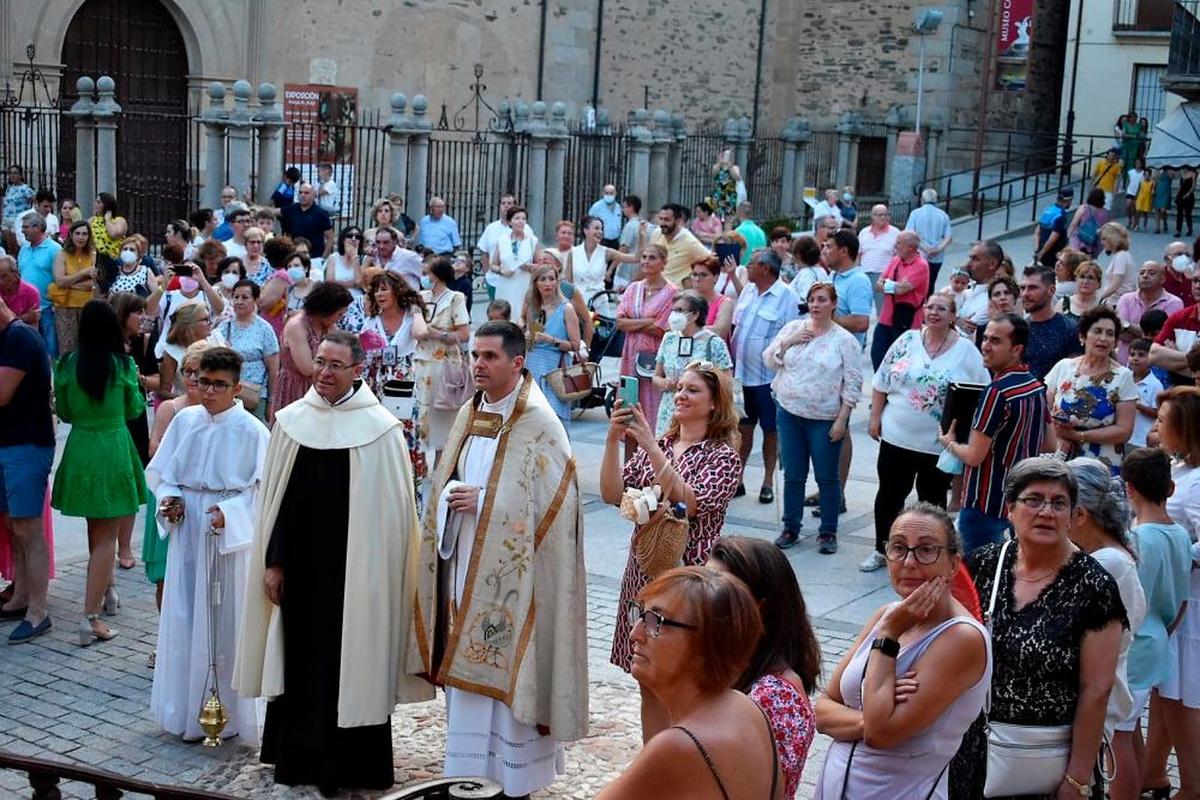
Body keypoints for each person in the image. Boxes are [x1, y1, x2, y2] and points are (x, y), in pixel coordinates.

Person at [233, 330, 427, 796]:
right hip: (300, 573)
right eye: (319, 362)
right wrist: (274, 563)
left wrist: (379, 575)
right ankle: (297, 759)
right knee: (301, 666)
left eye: (335, 365)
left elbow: (395, 517)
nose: (323, 372)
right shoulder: (293, 420)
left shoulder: (380, 429)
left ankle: (353, 767)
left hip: (358, 576)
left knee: (351, 667)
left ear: (357, 371)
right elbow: (276, 501)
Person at [411, 320, 588, 797]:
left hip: (516, 576)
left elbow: (560, 503)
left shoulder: (539, 421)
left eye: (489, 357)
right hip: (464, 558)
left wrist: (488, 500)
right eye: (474, 355)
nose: (478, 365)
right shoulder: (472, 411)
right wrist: (450, 492)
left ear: (517, 362)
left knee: (509, 662)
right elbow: (448, 476)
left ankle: (516, 778)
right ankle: (468, 771)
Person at [967, 458, 1128, 800]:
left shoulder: (1094, 586)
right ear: (1010, 508)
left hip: (1049, 762)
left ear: (1074, 516)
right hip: (974, 750)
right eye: (1034, 500)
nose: (1046, 511)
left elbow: (1096, 690)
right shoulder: (983, 564)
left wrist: (1076, 780)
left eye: (1059, 503)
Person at [600, 360, 741, 733]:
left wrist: (647, 444)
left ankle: (683, 764)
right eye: (679, 388)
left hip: (689, 580)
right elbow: (613, 494)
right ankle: (655, 760)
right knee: (647, 679)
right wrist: (613, 442)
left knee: (684, 682)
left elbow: (689, 502)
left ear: (714, 403)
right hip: (644, 574)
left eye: (692, 390)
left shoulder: (722, 456)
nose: (680, 395)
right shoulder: (662, 444)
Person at [815, 503, 990, 799]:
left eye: (926, 550)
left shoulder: (962, 638)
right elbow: (821, 711)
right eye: (898, 548)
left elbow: (881, 734)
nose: (909, 562)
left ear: (953, 563)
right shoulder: (888, 613)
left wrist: (888, 638)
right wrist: (868, 716)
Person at [145, 346, 266, 743]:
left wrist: (230, 514)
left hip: (224, 531)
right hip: (187, 531)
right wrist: (171, 499)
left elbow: (261, 491)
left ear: (236, 388)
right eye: (203, 382)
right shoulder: (185, 421)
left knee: (224, 620)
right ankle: (182, 709)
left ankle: (227, 713)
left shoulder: (253, 431)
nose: (209, 391)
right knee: (183, 614)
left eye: (219, 385)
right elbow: (162, 474)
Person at [595, 567, 779, 800]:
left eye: (655, 622)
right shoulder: (747, 708)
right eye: (640, 615)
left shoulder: (677, 746)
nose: (634, 633)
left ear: (707, 643)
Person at [865, 294, 988, 571]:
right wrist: (875, 417)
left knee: (932, 501)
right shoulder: (906, 341)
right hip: (897, 436)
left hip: (937, 443)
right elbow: (882, 379)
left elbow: (981, 391)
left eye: (941, 309)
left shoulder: (967, 350)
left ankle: (928, 553)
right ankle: (882, 549)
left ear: (953, 315)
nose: (933, 313)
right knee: (889, 494)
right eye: (930, 307)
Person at [51, 300, 146, 646]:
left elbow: (65, 410)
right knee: (107, 536)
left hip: (82, 446)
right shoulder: (121, 365)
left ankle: (109, 592)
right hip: (113, 445)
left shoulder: (67, 364)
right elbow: (135, 408)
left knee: (96, 528)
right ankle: (90, 618)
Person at [707, 536, 821, 799]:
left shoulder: (773, 695)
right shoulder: (731, 668)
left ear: (760, 608)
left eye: (719, 592)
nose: (703, 600)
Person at [1064, 457, 1146, 800]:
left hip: (1094, 698)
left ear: (1080, 514)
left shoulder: (1107, 564)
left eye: (1058, 505)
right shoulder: (1107, 554)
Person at [938, 313, 1050, 553]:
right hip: (1020, 501)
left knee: (975, 580)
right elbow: (1049, 443)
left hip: (985, 504)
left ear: (1016, 349)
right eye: (985, 338)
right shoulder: (1034, 385)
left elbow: (974, 456)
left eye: (996, 341)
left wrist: (948, 442)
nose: (985, 346)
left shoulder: (997, 392)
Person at [1115, 448, 1190, 799]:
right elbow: (1181, 603)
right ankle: (1150, 781)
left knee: (1117, 737)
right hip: (1159, 637)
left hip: (1136, 644)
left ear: (1129, 489)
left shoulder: (1138, 540)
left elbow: (1131, 602)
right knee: (1129, 731)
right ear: (1171, 489)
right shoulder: (1180, 536)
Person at [766, 282, 861, 554]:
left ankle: (828, 531)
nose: (816, 305)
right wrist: (787, 343)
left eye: (821, 300)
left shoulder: (844, 340)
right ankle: (790, 527)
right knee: (793, 474)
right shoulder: (793, 328)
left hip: (824, 417)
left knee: (826, 477)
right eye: (811, 300)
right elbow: (770, 361)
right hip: (789, 412)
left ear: (833, 303)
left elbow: (853, 382)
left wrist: (843, 419)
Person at [1143, 386, 1200, 799]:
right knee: (1166, 693)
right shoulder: (1181, 469)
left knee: (1183, 700)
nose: (1156, 425)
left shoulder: (1197, 481)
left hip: (1190, 603)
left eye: (1163, 420)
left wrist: (1176, 554)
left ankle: (1194, 785)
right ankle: (1153, 772)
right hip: (1175, 597)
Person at [0, 293, 55, 644]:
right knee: (12, 524)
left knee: (28, 527)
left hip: (26, 445)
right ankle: (20, 596)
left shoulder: (20, 337)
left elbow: (1, 394)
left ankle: (38, 610)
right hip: (9, 445)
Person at [144, 340, 211, 624]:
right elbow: (154, 448)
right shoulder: (170, 408)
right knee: (165, 576)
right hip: (169, 495)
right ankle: (164, 637)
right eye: (188, 371)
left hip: (201, 499)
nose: (193, 378)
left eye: (199, 372)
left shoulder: (217, 414)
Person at [730, 248, 798, 504]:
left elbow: (792, 337)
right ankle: (737, 478)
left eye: (751, 264)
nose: (746, 268)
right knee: (740, 428)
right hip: (740, 376)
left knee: (771, 430)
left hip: (767, 379)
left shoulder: (787, 297)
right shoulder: (748, 290)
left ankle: (768, 481)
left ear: (766, 269)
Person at [359, 269, 428, 497]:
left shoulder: (410, 317)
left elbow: (421, 333)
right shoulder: (371, 321)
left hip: (401, 385)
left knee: (403, 435)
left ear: (396, 291)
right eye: (376, 290)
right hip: (375, 383)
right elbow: (364, 354)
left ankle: (405, 487)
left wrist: (417, 310)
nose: (379, 294)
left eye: (384, 289)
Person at [1045, 306, 1137, 473]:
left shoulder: (1123, 377)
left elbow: (1124, 431)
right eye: (1097, 331)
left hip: (1101, 466)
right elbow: (1045, 412)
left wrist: (1079, 436)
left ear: (1115, 342)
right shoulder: (1063, 367)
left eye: (1110, 334)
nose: (1103, 338)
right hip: (1059, 459)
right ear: (1083, 336)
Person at [411, 256, 471, 462]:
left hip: (444, 362)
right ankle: (420, 459)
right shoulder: (421, 297)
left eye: (428, 273)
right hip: (422, 360)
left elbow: (464, 333)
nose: (425, 277)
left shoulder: (455, 298)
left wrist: (438, 334)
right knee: (421, 410)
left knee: (442, 413)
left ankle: (442, 462)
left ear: (436, 276)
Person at [617, 245, 678, 437]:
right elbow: (619, 322)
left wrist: (634, 322)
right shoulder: (633, 288)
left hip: (655, 356)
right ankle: (629, 463)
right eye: (643, 256)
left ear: (663, 262)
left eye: (652, 257)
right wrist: (649, 321)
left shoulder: (672, 292)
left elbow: (662, 327)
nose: (645, 261)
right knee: (629, 407)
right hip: (630, 355)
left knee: (653, 405)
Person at [652, 290, 732, 436]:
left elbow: (727, 381)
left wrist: (699, 385)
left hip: (699, 413)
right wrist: (666, 383)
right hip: (669, 411)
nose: (674, 315)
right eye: (673, 310)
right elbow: (656, 376)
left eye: (680, 310)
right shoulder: (669, 339)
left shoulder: (714, 343)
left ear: (695, 315)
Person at [273, 282, 352, 416]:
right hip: (294, 389)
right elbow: (307, 368)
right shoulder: (297, 326)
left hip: (320, 390)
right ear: (327, 311)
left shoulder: (328, 326)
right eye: (339, 314)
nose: (340, 318)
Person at [522, 261, 581, 426]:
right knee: (533, 416)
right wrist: (527, 338)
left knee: (555, 418)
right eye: (542, 279)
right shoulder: (533, 309)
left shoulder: (566, 309)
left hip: (556, 366)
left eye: (551, 279)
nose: (547, 283)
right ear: (536, 284)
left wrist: (551, 340)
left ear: (557, 282)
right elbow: (530, 338)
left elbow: (575, 345)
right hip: (534, 364)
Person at [219, 280, 280, 423]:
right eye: (236, 297)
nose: (239, 301)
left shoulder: (264, 329)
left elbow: (273, 369)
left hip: (255, 395)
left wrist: (272, 400)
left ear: (256, 300)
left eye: (245, 297)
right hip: (228, 393)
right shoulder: (224, 326)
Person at [870, 231, 929, 370]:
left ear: (910, 247)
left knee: (900, 362)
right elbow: (879, 284)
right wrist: (893, 285)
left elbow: (902, 289)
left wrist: (888, 285)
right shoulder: (896, 260)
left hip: (907, 322)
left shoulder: (921, 266)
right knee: (877, 355)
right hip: (886, 319)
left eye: (899, 243)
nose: (895, 246)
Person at [1022, 264, 1085, 380]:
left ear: (1051, 290)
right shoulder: (1018, 329)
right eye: (1023, 288)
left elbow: (1076, 375)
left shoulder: (1069, 329)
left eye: (1032, 288)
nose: (1025, 293)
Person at [1118, 260, 1184, 364]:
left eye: (1151, 273)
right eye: (1142, 272)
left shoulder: (1174, 303)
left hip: (1159, 367)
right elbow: (1120, 334)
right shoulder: (1125, 299)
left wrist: (1127, 326)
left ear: (1162, 279)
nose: (1145, 276)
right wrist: (1151, 336)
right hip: (1125, 365)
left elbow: (1164, 337)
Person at [16, 211, 63, 355]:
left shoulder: (55, 249)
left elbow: (59, 278)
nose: (22, 231)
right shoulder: (24, 248)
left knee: (50, 349)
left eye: (26, 227)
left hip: (47, 309)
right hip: (25, 309)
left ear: (38, 228)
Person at [49, 220, 98, 354]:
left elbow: (91, 284)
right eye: (77, 233)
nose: (81, 237)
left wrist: (69, 283)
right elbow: (59, 282)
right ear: (71, 234)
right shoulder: (61, 255)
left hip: (86, 306)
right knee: (67, 348)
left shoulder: (92, 254)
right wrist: (83, 273)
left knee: (87, 346)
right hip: (65, 307)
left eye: (84, 234)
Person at [570, 214, 640, 301]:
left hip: (599, 301)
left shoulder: (606, 252)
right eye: (596, 228)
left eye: (601, 229)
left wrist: (642, 236)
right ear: (586, 230)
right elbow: (568, 282)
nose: (600, 232)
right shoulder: (573, 252)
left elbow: (636, 258)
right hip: (578, 301)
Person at [1150, 272, 1200, 386]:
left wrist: (1174, 359)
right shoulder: (1178, 318)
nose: (1197, 286)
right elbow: (1154, 355)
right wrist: (1194, 361)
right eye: (1195, 281)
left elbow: (1163, 360)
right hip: (1181, 396)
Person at [492, 205, 540, 320]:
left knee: (521, 316)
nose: (521, 222)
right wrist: (501, 271)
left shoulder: (532, 241)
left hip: (524, 284)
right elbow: (493, 264)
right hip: (506, 284)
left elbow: (541, 265)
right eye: (517, 218)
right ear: (510, 221)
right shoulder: (502, 241)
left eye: (523, 219)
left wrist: (530, 267)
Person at [651, 203, 714, 287]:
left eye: (667, 220)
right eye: (661, 219)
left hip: (677, 295)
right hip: (655, 289)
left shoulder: (689, 241)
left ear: (678, 221)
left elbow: (711, 260)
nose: (662, 223)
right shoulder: (656, 233)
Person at [905, 188, 953, 288]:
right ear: (936, 200)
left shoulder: (915, 214)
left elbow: (909, 234)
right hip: (937, 257)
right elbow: (948, 237)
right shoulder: (943, 215)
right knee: (931, 283)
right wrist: (938, 249)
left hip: (919, 254)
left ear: (922, 199)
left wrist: (925, 248)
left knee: (917, 283)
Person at [859, 204, 901, 307]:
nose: (883, 217)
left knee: (883, 309)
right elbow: (859, 254)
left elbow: (899, 256)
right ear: (872, 216)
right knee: (861, 306)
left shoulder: (895, 233)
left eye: (886, 215)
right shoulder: (864, 232)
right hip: (865, 275)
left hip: (884, 276)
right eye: (880, 215)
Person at [476, 193, 516, 301]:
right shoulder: (491, 228)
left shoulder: (521, 228)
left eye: (509, 203)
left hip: (513, 279)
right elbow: (484, 252)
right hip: (494, 279)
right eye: (503, 203)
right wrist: (486, 274)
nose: (506, 206)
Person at [280, 183, 333, 258]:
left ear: (313, 195)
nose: (302, 195)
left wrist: (323, 258)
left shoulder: (321, 213)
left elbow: (330, 237)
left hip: (314, 257)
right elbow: (276, 212)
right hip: (295, 257)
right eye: (300, 192)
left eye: (306, 193)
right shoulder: (292, 209)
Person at [688, 258, 734, 342]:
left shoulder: (725, 303)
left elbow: (720, 331)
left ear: (715, 277)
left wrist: (688, 329)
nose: (697, 279)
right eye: (695, 275)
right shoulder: (686, 301)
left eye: (703, 275)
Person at [1129, 337, 1164, 448]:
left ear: (1150, 358)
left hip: (1141, 441)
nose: (1135, 358)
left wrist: (1136, 405)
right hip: (1124, 437)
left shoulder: (1155, 385)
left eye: (1141, 355)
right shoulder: (1125, 378)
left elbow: (1158, 413)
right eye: (1132, 354)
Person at [87, 192, 128, 284]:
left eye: (98, 202)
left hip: (115, 260)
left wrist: (107, 219)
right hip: (98, 261)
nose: (95, 205)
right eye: (96, 202)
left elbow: (113, 234)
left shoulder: (119, 221)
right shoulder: (91, 221)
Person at [1099, 221, 1137, 305]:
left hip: (1117, 302)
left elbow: (1115, 284)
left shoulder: (1121, 257)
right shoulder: (1121, 255)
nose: (1102, 243)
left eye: (1104, 239)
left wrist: (1099, 298)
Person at [323, 225, 365, 300]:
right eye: (350, 236)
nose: (353, 239)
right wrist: (352, 284)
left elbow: (359, 282)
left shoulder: (364, 258)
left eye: (357, 237)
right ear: (343, 239)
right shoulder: (334, 257)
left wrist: (355, 257)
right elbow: (330, 282)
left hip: (356, 299)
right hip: (336, 298)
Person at [1035, 188, 1073, 268]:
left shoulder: (1048, 210)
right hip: (1053, 253)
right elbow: (1053, 237)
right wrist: (1042, 253)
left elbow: (1037, 232)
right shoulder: (1061, 215)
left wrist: (1037, 250)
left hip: (1042, 249)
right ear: (1068, 200)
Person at [1067, 187, 1109, 258]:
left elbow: (1074, 224)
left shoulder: (1084, 208)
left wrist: (1068, 237)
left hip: (1077, 241)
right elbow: (1103, 232)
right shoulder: (1104, 213)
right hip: (1091, 244)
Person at [0, 254, 40, 327]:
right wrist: (24, 318)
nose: (0, 281)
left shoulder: (31, 292)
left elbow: (33, 328)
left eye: (4, 276)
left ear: (15, 274)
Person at [710, 148, 742, 219]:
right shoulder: (716, 166)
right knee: (716, 217)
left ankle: (728, 230)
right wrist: (719, 163)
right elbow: (713, 174)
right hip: (718, 194)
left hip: (730, 195)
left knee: (729, 218)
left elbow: (737, 178)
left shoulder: (734, 167)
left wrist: (729, 167)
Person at [588, 183, 623, 247]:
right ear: (603, 194)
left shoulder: (618, 207)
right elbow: (589, 222)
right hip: (601, 240)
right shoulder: (596, 207)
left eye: (611, 193)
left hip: (615, 241)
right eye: (607, 193)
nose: (609, 195)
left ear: (615, 194)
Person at [732, 202, 767, 266]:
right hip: (757, 270)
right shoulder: (761, 232)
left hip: (741, 271)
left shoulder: (737, 232)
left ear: (738, 212)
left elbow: (733, 256)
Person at [2, 165, 35, 231]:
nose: (12, 175)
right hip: (6, 221)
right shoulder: (9, 188)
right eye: (10, 173)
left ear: (20, 175)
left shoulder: (25, 189)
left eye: (15, 173)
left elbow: (36, 202)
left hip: (18, 221)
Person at [1175, 165, 1195, 238]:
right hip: (1181, 196)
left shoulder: (1193, 173)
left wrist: (1188, 194)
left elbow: (1193, 186)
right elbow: (1180, 186)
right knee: (1179, 214)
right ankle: (1178, 230)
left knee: (1188, 214)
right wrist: (1176, 195)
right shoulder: (1182, 174)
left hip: (1189, 196)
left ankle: (1190, 229)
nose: (1184, 168)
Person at [1153, 167, 1174, 234]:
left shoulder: (1170, 170)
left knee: (1163, 210)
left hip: (1166, 191)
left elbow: (1172, 177)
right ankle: (1157, 227)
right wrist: (1153, 188)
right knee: (1157, 209)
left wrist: (1169, 171)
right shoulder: (1158, 170)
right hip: (1158, 191)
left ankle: (1164, 222)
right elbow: (1154, 179)